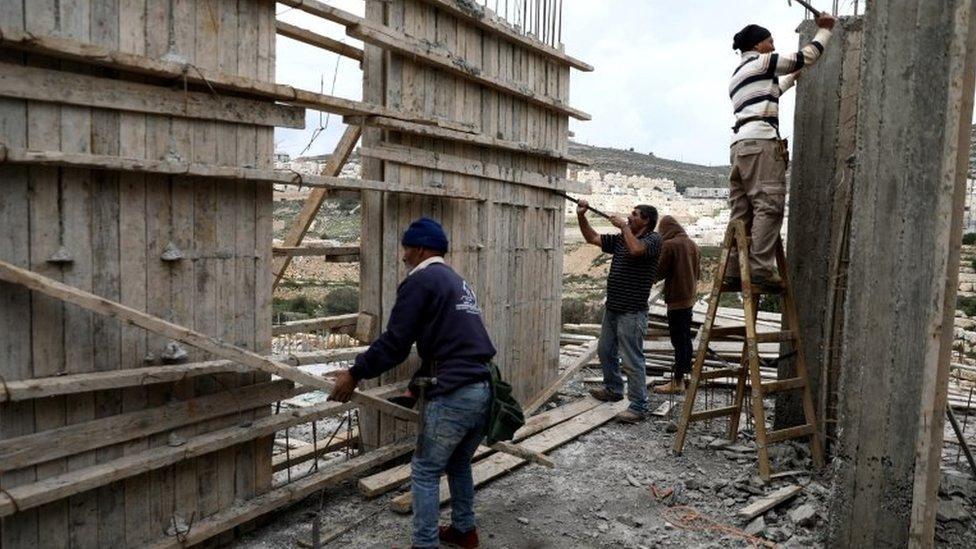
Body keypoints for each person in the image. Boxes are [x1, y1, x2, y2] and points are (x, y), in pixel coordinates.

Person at [329, 217, 494, 549]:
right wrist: (416, 385)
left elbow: (395, 343)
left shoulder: (420, 281)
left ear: (418, 249)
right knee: (458, 461)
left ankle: (424, 544)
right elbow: (448, 344)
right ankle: (465, 531)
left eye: (405, 249)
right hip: (484, 387)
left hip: (456, 392)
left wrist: (355, 372)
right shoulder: (454, 281)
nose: (403, 256)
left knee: (424, 469)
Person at [727, 13, 836, 288]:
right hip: (761, 143)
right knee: (769, 204)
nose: (773, 46)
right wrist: (825, 30)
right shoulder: (762, 62)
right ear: (758, 44)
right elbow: (805, 57)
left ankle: (732, 268)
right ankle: (760, 269)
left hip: (741, 145)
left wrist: (790, 80)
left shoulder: (739, 74)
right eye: (770, 41)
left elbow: (768, 94)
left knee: (741, 212)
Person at [577, 200, 662, 423]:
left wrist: (624, 228)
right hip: (613, 308)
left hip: (632, 312)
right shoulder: (621, 240)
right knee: (605, 351)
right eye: (630, 213)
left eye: (635, 214)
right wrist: (581, 216)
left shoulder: (653, 239)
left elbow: (636, 251)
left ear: (647, 221)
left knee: (632, 359)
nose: (630, 216)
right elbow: (592, 238)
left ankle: (638, 406)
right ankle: (613, 389)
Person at [652, 216, 701, 395]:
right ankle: (684, 376)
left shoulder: (670, 245)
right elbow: (698, 273)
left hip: (676, 300)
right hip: (689, 298)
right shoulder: (693, 245)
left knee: (678, 341)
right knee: (685, 340)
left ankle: (678, 381)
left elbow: (659, 271)